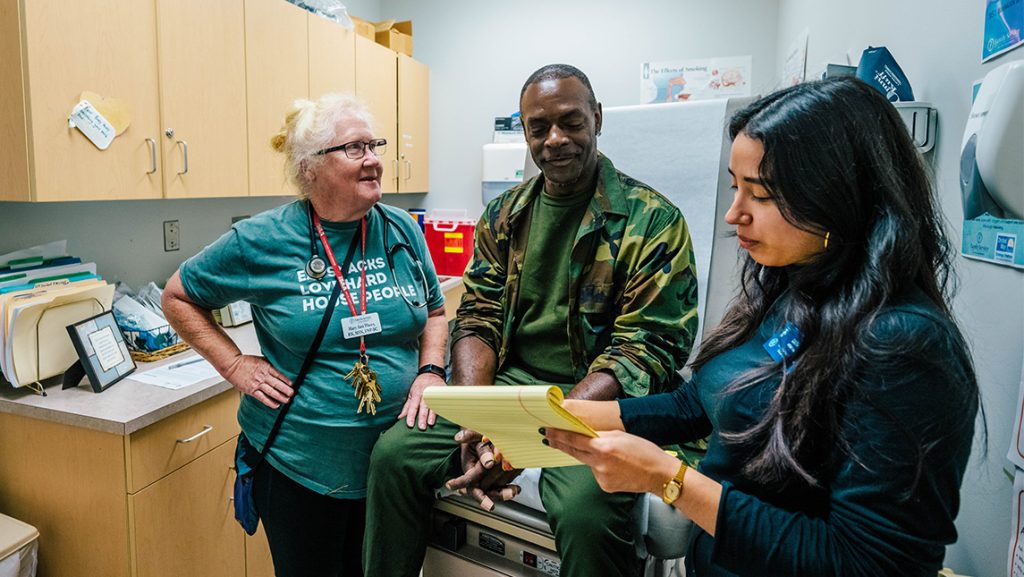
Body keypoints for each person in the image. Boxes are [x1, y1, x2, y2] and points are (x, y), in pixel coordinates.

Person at [543, 77, 982, 577]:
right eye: (735, 186)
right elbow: (705, 401)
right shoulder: (800, 288)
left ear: (837, 195)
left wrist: (668, 477)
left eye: (761, 194)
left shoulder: (904, 346)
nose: (735, 214)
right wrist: (567, 414)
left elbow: (870, 564)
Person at [363, 64, 700, 577]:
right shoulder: (504, 214)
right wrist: (479, 418)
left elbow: (645, 350)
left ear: (598, 119)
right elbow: (477, 317)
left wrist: (525, 439)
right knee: (393, 456)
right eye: (538, 128)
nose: (555, 139)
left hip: (601, 402)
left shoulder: (652, 221)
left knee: (586, 512)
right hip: (511, 387)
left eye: (571, 122)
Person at [162, 93, 448, 577]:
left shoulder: (401, 228)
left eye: (374, 145)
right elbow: (178, 296)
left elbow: (436, 312)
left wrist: (430, 371)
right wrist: (235, 364)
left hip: (394, 470)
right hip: (300, 468)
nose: (375, 159)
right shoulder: (262, 240)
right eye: (355, 148)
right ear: (309, 167)